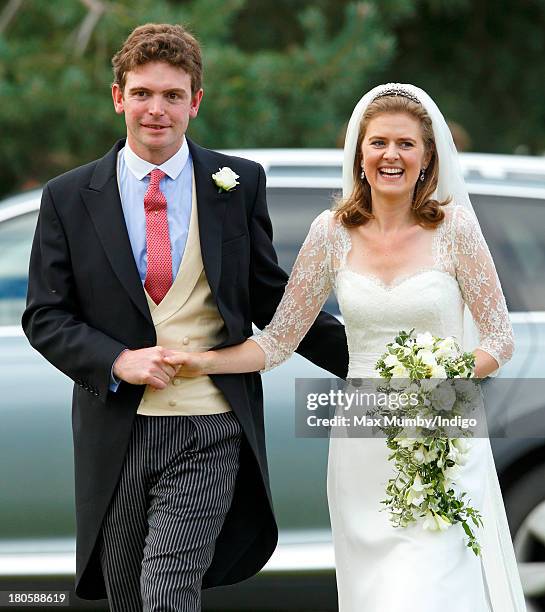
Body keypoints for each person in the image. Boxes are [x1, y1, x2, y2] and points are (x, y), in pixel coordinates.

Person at [22, 23, 348, 612]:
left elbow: (272, 297)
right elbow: (45, 315)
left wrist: (374, 361)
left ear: (195, 103)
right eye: (143, 94)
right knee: (126, 594)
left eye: (173, 96)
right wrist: (117, 359)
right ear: (118, 96)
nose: (156, 110)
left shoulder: (237, 183)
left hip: (211, 423)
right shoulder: (68, 197)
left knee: (169, 589)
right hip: (116, 430)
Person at [167, 83, 527, 611]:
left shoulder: (456, 229)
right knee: (378, 594)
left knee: (433, 591)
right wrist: (203, 362)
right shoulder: (330, 233)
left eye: (406, 144)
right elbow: (280, 340)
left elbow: (499, 339)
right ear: (359, 154)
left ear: (427, 158)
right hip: (362, 447)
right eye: (378, 142)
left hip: (441, 439)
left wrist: (442, 380)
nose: (391, 155)